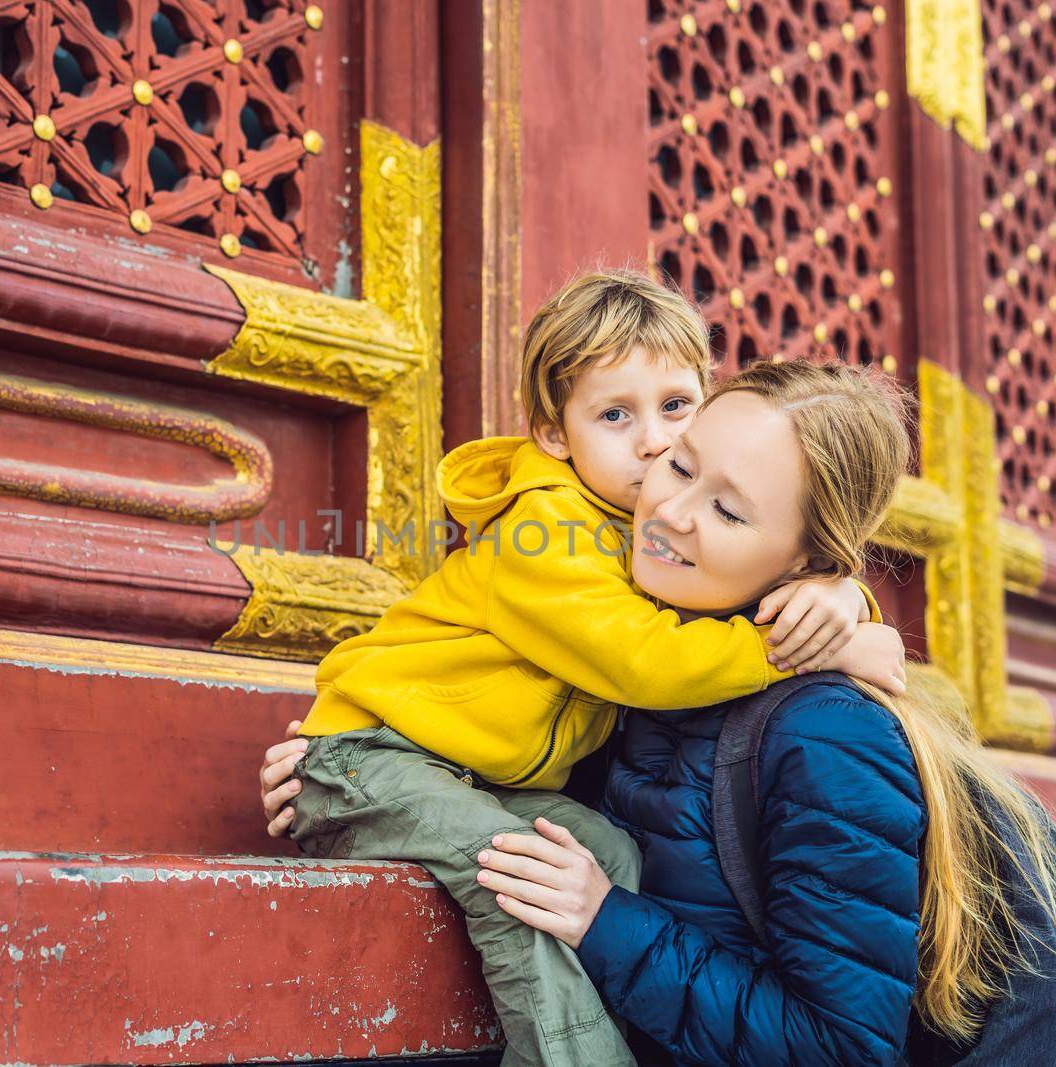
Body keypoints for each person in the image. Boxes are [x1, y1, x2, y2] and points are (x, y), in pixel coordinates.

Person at [278, 273, 909, 1067]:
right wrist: (810, 642)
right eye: (616, 415)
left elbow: (754, 588)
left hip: (473, 774)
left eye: (676, 410)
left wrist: (842, 600)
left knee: (614, 860)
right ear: (552, 433)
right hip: (378, 757)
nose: (653, 444)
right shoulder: (544, 531)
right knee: (519, 880)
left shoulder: (635, 531)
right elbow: (645, 658)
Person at [462, 360, 1056, 1064]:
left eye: (728, 511)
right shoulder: (617, 644)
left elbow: (840, 1047)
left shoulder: (823, 735)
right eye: (680, 466)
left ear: (803, 561)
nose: (673, 514)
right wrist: (352, 754)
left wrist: (606, 920)